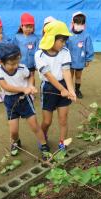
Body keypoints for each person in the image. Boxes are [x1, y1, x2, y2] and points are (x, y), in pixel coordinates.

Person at [0, 43, 50, 157]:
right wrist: (24, 88)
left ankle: (43, 144)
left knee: (34, 125)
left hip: (25, 100)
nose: (15, 66)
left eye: (17, 62)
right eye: (11, 64)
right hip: (10, 101)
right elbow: (5, 86)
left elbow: (30, 76)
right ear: (1, 62)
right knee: (13, 131)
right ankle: (15, 142)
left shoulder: (22, 68)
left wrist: (30, 86)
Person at [35, 20, 76, 151]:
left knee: (63, 120)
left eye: (65, 41)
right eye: (61, 41)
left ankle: (62, 142)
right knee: (47, 121)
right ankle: (43, 138)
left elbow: (66, 71)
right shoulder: (39, 54)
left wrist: (71, 90)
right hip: (48, 88)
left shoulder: (65, 51)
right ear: (51, 39)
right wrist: (63, 90)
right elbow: (48, 75)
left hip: (63, 85)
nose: (63, 44)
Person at [67, 11, 94, 99]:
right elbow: (64, 47)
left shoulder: (86, 36)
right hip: (69, 60)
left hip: (80, 60)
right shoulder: (68, 34)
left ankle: (77, 91)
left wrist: (88, 59)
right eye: (77, 23)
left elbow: (89, 48)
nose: (79, 26)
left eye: (81, 24)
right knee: (69, 76)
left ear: (84, 24)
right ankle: (70, 91)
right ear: (73, 23)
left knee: (78, 76)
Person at [13, 13, 39, 86]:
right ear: (21, 26)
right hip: (20, 62)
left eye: (31, 27)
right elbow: (13, 48)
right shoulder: (17, 37)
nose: (28, 29)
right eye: (26, 27)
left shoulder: (35, 38)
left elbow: (37, 51)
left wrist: (36, 63)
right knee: (21, 77)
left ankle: (31, 91)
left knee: (31, 76)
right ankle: (23, 90)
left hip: (31, 63)